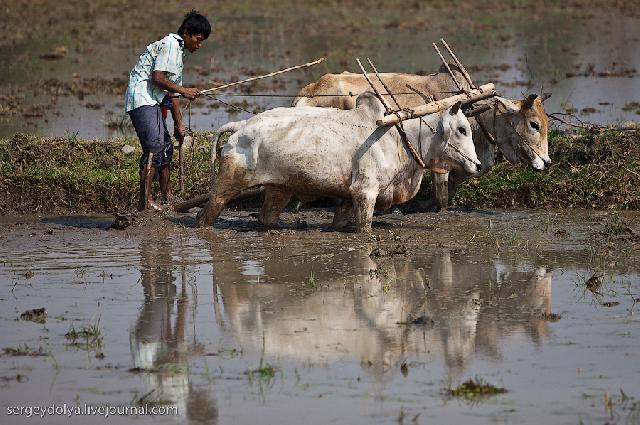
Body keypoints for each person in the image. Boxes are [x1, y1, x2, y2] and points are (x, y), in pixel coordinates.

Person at [125, 10, 211, 211]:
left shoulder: (178, 53)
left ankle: (167, 198)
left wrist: (179, 124)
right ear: (187, 33)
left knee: (166, 148)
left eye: (202, 42)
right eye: (197, 40)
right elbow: (158, 78)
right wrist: (184, 90)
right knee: (155, 148)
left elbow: (173, 94)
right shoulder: (171, 44)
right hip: (142, 98)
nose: (198, 45)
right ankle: (144, 204)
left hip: (153, 100)